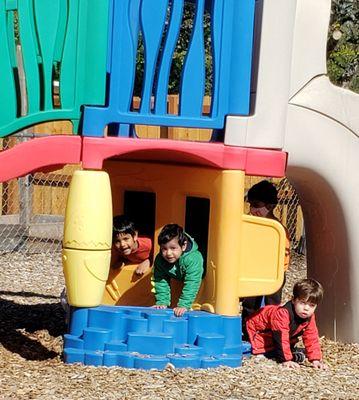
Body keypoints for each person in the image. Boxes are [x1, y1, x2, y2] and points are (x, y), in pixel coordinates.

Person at [246, 278, 328, 369]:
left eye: (312, 305)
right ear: (293, 300)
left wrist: (315, 359)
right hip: (258, 333)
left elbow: (311, 336)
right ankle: (279, 354)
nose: (306, 308)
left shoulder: (309, 316)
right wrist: (286, 360)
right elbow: (281, 337)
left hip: (273, 335)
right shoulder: (282, 313)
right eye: (302, 303)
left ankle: (283, 353)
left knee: (289, 345)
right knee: (268, 350)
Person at [242, 180, 291, 322]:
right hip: (254, 270)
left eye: (256, 205)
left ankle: (271, 331)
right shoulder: (252, 224)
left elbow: (283, 256)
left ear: (270, 206)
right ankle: (246, 329)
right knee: (250, 303)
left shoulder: (277, 229)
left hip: (274, 273)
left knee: (272, 305)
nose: (252, 209)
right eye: (250, 204)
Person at [152, 224, 203, 317]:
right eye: (164, 248)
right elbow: (160, 280)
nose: (168, 253)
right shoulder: (160, 259)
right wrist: (162, 302)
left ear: (183, 246)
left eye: (173, 248)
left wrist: (183, 305)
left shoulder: (193, 258)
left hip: (201, 285)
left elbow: (192, 282)